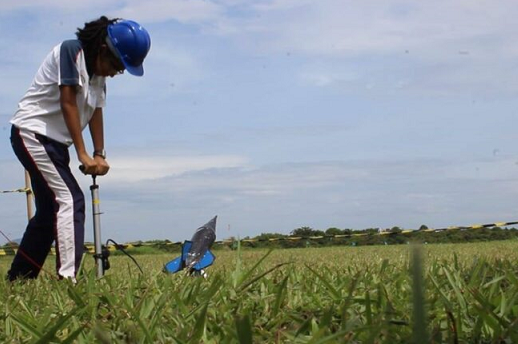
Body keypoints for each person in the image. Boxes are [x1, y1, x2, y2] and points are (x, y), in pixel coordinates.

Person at [7, 16, 151, 281]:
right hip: (33, 133)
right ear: (103, 49)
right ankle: (68, 279)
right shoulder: (71, 51)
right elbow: (68, 102)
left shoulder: (98, 75)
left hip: (55, 143)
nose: (117, 72)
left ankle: (19, 279)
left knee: (50, 212)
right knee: (70, 199)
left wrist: (99, 153)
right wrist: (82, 154)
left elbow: (96, 110)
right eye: (117, 65)